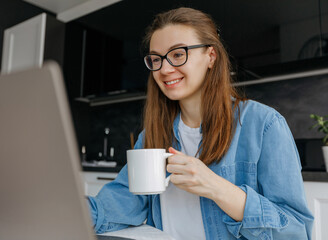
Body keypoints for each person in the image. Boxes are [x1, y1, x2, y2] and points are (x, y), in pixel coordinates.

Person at [88, 7, 314, 239]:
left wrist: (216, 187)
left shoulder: (264, 125)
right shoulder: (152, 135)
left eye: (178, 54)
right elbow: (114, 208)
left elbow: (295, 232)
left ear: (211, 57)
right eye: (156, 59)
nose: (165, 69)